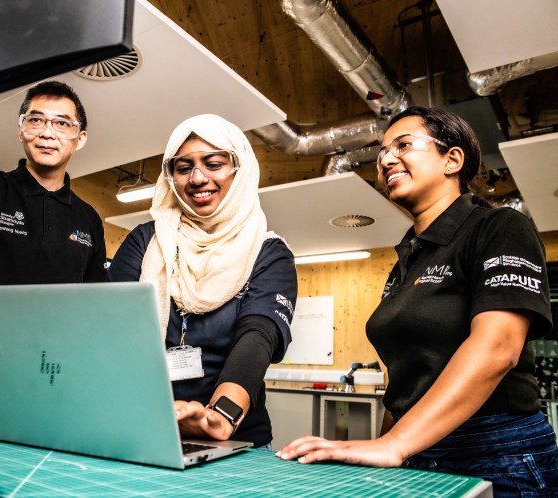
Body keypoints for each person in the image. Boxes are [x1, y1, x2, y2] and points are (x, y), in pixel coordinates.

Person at [277, 106, 558, 496]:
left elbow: (498, 347)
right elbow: (405, 382)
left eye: (404, 145)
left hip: (495, 451)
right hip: (418, 450)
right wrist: (386, 449)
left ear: (452, 160)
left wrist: (395, 444)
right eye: (381, 154)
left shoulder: (499, 227)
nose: (386, 160)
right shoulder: (407, 260)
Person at [107, 114, 297, 448]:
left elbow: (257, 337)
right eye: (183, 168)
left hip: (234, 439)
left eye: (213, 164)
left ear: (240, 170)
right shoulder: (145, 241)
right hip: (144, 427)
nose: (197, 178)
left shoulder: (268, 253)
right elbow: (111, 327)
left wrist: (220, 417)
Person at [0, 80, 107, 400]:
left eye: (62, 123)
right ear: (21, 130)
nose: (47, 133)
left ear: (80, 138)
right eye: (36, 120)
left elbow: (93, 306)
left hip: (57, 382)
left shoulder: (89, 219)